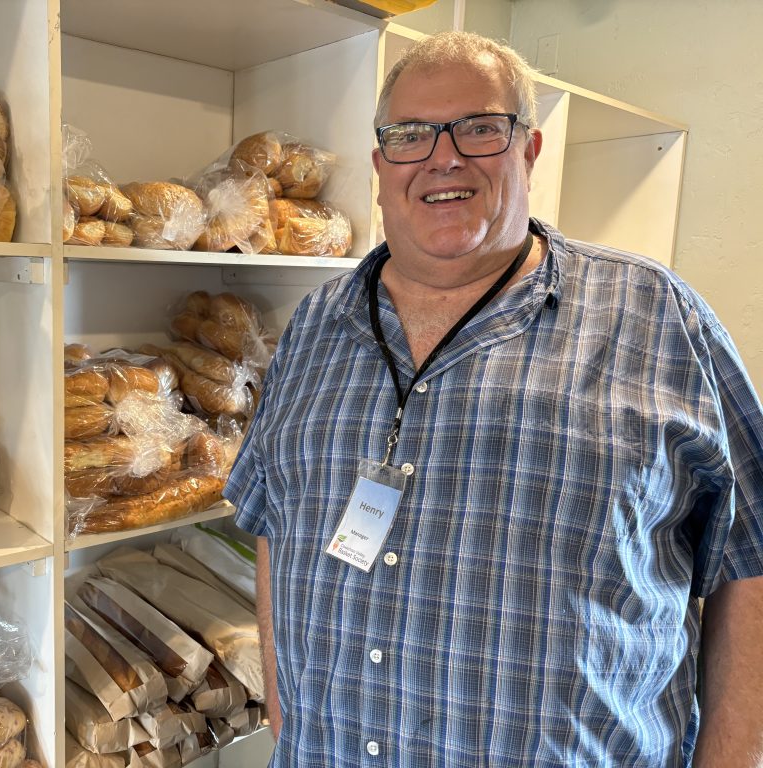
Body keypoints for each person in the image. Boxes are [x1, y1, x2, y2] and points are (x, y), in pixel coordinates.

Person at [223, 30, 763, 767]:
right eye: (411, 135)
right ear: (381, 167)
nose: (444, 157)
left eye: (480, 128)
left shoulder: (658, 316)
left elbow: (750, 560)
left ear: (529, 150)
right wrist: (285, 714)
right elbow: (272, 522)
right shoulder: (315, 324)